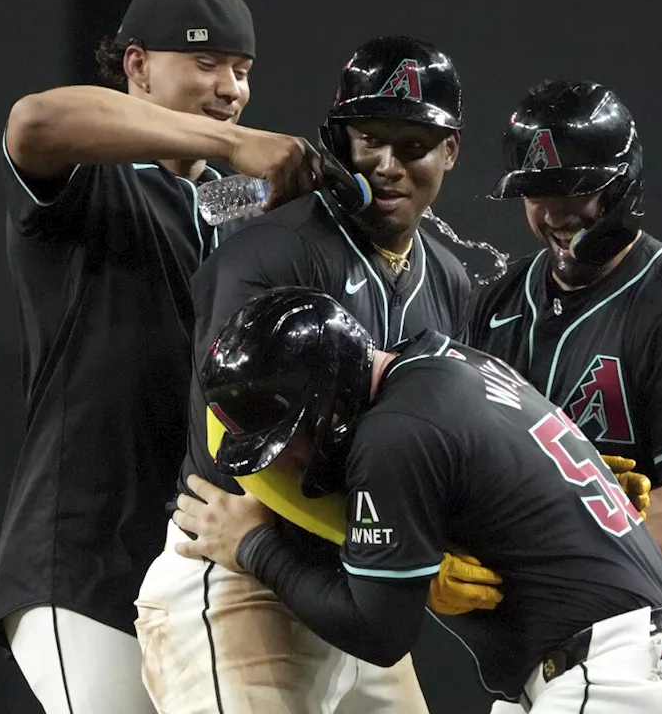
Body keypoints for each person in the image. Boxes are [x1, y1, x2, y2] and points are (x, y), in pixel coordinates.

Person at [174, 286, 662, 713]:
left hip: (617, 682)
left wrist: (254, 547)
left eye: (291, 437)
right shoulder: (448, 365)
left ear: (330, 389)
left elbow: (379, 634)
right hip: (649, 666)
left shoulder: (395, 432)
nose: (291, 460)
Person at [0, 0, 321, 710]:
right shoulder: (93, 178)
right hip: (88, 564)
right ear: (136, 65)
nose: (231, 87)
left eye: (242, 69)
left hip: (205, 569)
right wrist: (233, 145)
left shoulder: (238, 212)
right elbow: (34, 121)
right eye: (206, 62)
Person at [134, 35, 478, 714]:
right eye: (368, 138)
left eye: (413, 144)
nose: (386, 163)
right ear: (337, 139)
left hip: (346, 579)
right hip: (240, 565)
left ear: (450, 151)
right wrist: (392, 542)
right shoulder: (274, 251)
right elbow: (233, 451)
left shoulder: (451, 280)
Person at [469, 79, 662, 713]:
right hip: (565, 629)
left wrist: (527, 544)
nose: (556, 213)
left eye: (578, 191)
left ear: (625, 184)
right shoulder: (499, 306)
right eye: (537, 193)